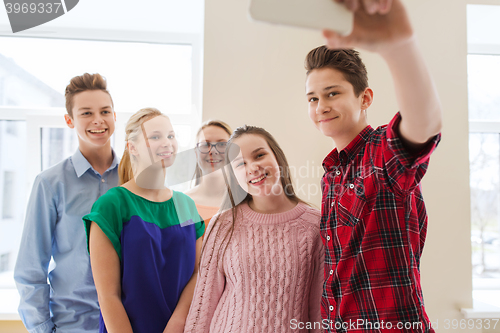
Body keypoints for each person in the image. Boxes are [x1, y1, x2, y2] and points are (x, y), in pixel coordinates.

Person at [305, 0, 442, 331]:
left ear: (364, 98)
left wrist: (399, 47)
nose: (321, 106)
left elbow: (424, 125)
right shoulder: (331, 176)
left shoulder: (380, 153)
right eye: (312, 98)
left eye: (332, 93)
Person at [184, 125, 324, 333]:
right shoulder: (222, 224)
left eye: (259, 155)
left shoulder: (314, 225)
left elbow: (319, 311)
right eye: (240, 164)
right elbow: (203, 306)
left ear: (277, 157)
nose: (253, 167)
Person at [83, 108, 204, 333]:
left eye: (171, 135)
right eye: (155, 137)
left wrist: (177, 325)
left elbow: (198, 273)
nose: (167, 142)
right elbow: (108, 296)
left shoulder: (186, 205)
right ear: (132, 147)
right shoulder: (112, 205)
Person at [14, 73, 119, 333]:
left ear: (115, 116)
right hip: (73, 325)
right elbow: (30, 269)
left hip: (129, 323)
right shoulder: (50, 183)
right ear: (69, 120)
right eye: (86, 113)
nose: (98, 120)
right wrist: (43, 329)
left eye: (105, 111)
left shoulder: (135, 179)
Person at [185, 120, 232, 230]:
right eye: (205, 145)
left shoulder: (248, 202)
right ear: (196, 153)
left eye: (222, 144)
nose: (213, 151)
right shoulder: (180, 203)